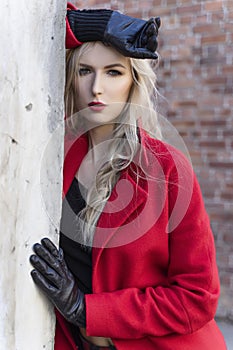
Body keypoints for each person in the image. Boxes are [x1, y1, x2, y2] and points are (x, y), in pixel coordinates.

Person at [29, 3, 227, 350]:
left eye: (114, 72)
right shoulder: (49, 160)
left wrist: (86, 310)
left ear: (134, 80)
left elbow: (197, 297)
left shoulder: (168, 169)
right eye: (85, 71)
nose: (97, 88)